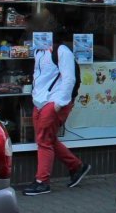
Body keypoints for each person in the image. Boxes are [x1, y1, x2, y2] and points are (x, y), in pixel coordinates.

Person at [23, 20, 90, 196]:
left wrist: (58, 104)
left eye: (39, 34)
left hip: (53, 103)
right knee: (47, 138)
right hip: (41, 101)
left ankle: (42, 181)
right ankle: (77, 166)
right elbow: (40, 76)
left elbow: (69, 79)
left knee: (44, 141)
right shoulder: (39, 51)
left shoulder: (62, 51)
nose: (35, 37)